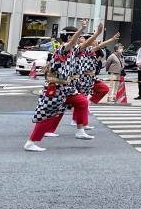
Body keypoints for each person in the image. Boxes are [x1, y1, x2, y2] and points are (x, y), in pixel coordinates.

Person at [24, 21, 94, 151]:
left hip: (66, 87)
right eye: (78, 36)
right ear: (69, 38)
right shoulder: (62, 49)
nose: (80, 39)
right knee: (47, 115)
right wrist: (82, 28)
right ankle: (31, 142)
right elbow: (73, 42)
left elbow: (86, 44)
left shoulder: (73, 50)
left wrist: (98, 33)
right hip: (55, 87)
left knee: (82, 102)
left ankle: (80, 130)